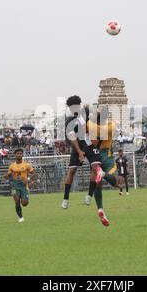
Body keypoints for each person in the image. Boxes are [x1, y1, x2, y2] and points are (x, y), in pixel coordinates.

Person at [60, 96, 108, 226]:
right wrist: (79, 152)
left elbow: (99, 113)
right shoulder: (70, 121)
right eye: (71, 108)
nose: (73, 109)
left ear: (79, 105)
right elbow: (72, 138)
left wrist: (99, 110)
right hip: (78, 147)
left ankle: (89, 195)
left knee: (96, 167)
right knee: (72, 171)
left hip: (90, 145)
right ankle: (66, 199)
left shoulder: (87, 112)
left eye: (75, 106)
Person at [4, 148, 35, 223]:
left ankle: (24, 197)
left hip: (24, 185)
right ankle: (20, 217)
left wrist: (29, 179)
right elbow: (7, 175)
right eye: (17, 153)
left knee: (24, 203)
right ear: (15, 155)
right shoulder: (12, 166)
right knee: (16, 201)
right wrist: (7, 175)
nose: (19, 155)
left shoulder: (26, 165)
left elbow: (33, 173)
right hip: (14, 185)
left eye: (20, 153)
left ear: (22, 155)